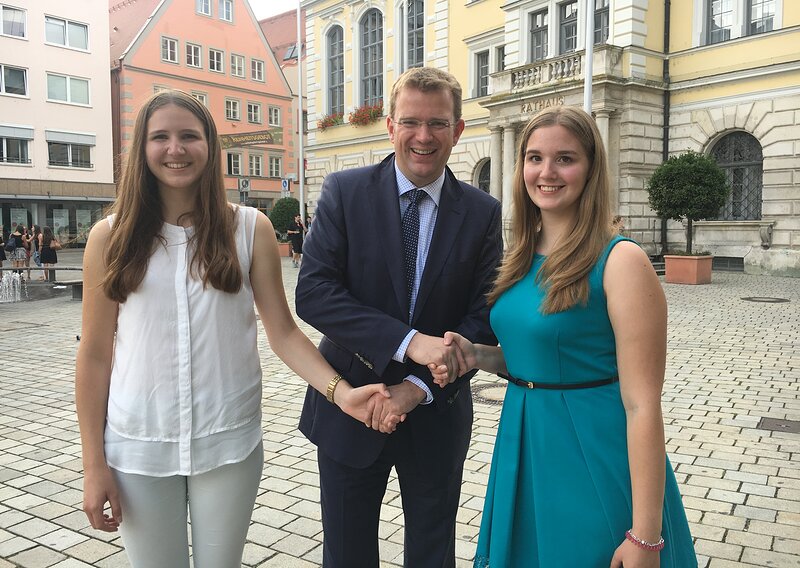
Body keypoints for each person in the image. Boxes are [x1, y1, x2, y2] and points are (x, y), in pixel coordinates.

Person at [75, 90, 392, 568]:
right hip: (139, 444)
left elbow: (283, 332)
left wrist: (341, 392)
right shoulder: (110, 236)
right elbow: (95, 354)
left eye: (189, 136)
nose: (175, 149)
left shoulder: (249, 228)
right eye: (160, 137)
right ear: (141, 148)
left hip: (228, 441)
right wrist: (93, 463)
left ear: (210, 147)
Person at [430, 106, 697, 568]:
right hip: (524, 441)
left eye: (565, 159)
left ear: (591, 168)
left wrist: (646, 536)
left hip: (590, 450)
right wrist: (479, 355)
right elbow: (536, 355)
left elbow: (642, 405)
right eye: (534, 158)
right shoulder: (519, 257)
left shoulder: (621, 261)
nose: (546, 172)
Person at [295, 66, 503, 568]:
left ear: (458, 130)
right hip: (351, 405)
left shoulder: (481, 211)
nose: (423, 136)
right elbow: (315, 294)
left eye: (438, 124)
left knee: (432, 553)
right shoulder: (345, 191)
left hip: (435, 411)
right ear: (390, 126)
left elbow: (484, 316)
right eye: (411, 122)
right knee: (346, 554)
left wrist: (417, 388)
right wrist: (410, 342)